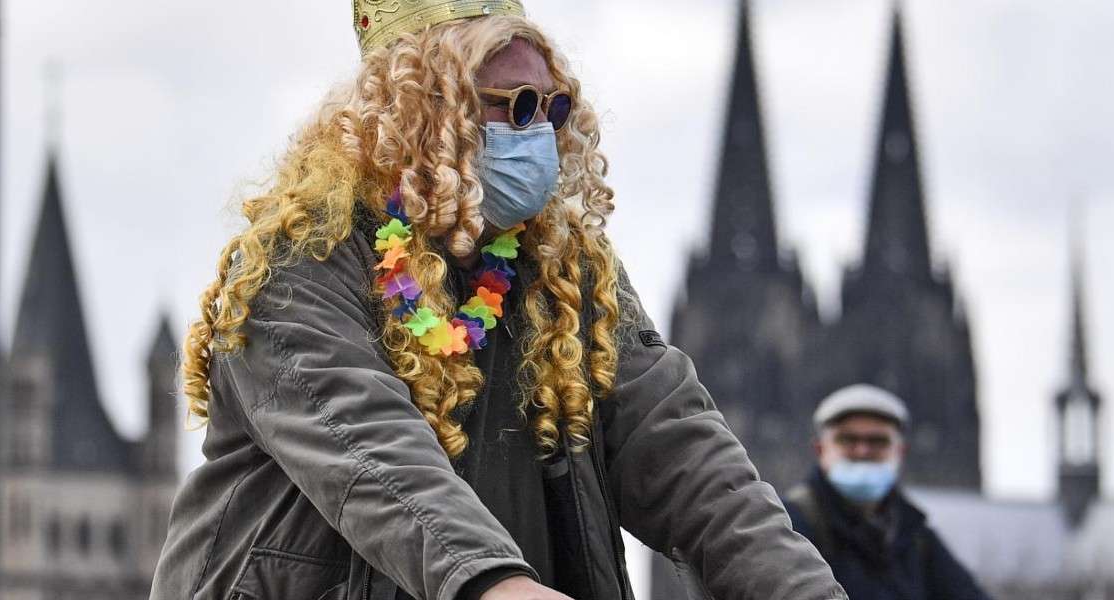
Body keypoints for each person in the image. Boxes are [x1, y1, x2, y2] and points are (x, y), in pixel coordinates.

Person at [150, 2, 846, 599]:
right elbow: (365, 443)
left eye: (552, 107)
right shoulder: (297, 259)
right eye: (515, 107)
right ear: (423, 109)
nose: (539, 132)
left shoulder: (568, 269)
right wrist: (492, 582)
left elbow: (685, 455)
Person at [784, 384, 992, 600]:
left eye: (878, 441)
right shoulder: (789, 524)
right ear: (820, 449)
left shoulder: (915, 535)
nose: (863, 451)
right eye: (847, 440)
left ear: (900, 451)